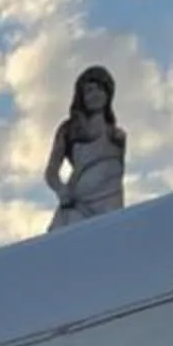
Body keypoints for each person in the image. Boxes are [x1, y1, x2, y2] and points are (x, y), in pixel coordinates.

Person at [45, 65, 126, 229]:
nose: (94, 95)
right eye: (88, 91)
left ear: (107, 94)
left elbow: (115, 173)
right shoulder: (70, 129)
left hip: (110, 201)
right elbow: (51, 172)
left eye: (99, 89)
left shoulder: (117, 136)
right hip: (79, 204)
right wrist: (62, 191)